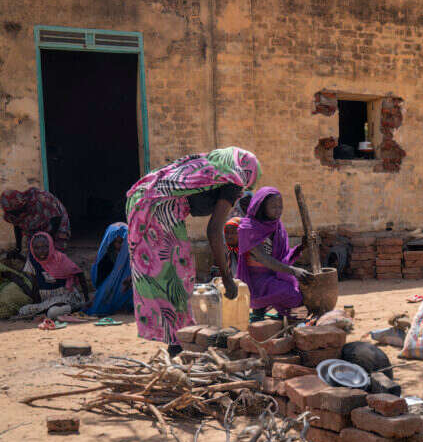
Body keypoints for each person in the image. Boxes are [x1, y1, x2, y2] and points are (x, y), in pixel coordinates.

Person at [126, 147, 260, 352]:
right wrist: (226, 278)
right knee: (176, 275)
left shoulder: (213, 167)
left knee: (165, 274)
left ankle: (176, 341)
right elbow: (214, 230)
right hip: (158, 208)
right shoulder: (233, 180)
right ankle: (178, 343)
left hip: (144, 200)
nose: (244, 188)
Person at [236, 186, 310, 320]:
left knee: (300, 292)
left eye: (280, 206)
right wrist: (294, 271)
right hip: (256, 280)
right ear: (261, 206)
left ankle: (275, 315)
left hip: (275, 274)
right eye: (273, 207)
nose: (278, 210)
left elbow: (282, 256)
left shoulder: (277, 226)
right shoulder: (248, 228)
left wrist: (302, 247)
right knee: (293, 295)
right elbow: (264, 259)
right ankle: (262, 308)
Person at [18, 232, 89, 318]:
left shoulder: (59, 258)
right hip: (46, 301)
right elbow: (35, 283)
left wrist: (87, 299)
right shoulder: (33, 261)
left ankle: (75, 306)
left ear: (51, 245)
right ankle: (48, 310)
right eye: (37, 248)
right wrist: (36, 302)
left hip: (65, 296)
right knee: (23, 310)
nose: (41, 251)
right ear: (32, 249)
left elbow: (79, 273)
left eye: (45, 247)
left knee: (52, 312)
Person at [1, 187, 71, 255]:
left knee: (54, 253)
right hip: (36, 225)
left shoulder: (39, 198)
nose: (16, 215)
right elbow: (17, 226)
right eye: (13, 213)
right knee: (35, 252)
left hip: (56, 221)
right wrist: (18, 248)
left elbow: (56, 218)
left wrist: (49, 241)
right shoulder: (11, 213)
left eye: (17, 212)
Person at [86, 222, 133, 316]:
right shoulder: (106, 258)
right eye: (117, 242)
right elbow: (99, 278)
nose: (120, 246)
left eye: (123, 242)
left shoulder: (131, 256)